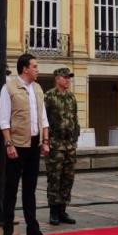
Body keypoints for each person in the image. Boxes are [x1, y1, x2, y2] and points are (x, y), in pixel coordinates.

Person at [0, 54, 52, 235]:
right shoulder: (9, 88)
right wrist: (9, 144)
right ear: (25, 69)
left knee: (30, 189)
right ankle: (8, 230)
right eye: (35, 66)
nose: (37, 69)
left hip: (35, 144)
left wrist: (45, 141)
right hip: (17, 145)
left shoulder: (37, 88)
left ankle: (33, 229)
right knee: (11, 189)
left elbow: (43, 118)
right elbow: (4, 119)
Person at [44, 68, 80, 226]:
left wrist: (75, 139)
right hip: (55, 143)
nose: (68, 80)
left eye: (69, 78)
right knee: (54, 177)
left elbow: (75, 119)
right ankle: (53, 211)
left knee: (68, 177)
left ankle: (62, 210)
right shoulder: (49, 96)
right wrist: (45, 141)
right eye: (65, 78)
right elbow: (43, 120)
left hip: (69, 144)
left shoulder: (71, 98)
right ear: (57, 79)